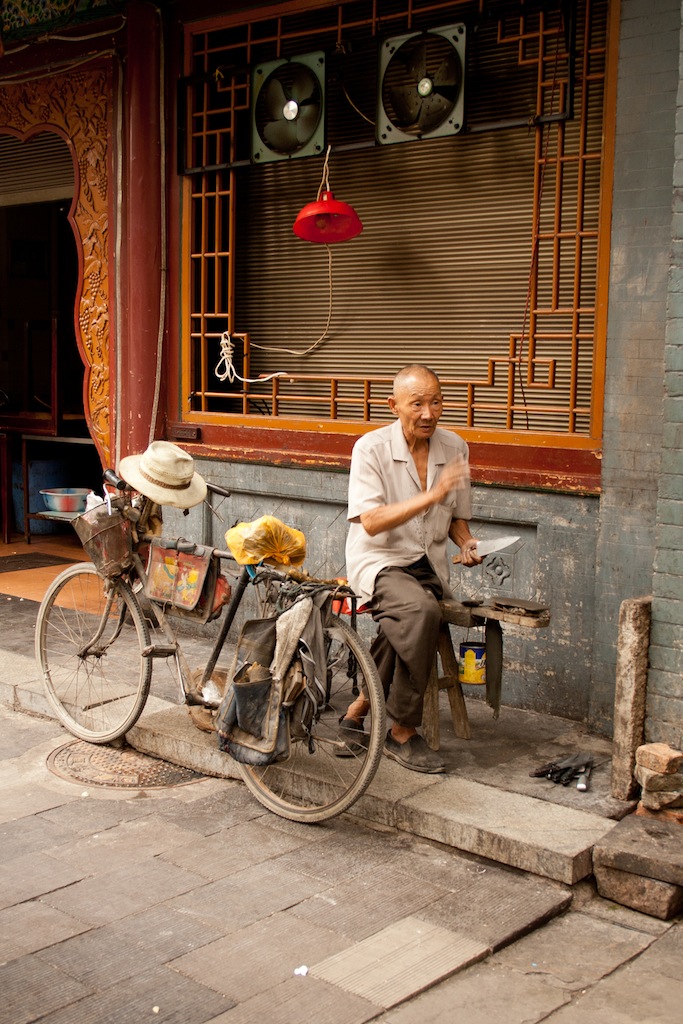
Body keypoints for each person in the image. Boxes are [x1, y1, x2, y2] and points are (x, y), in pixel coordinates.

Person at [340, 364, 481, 773]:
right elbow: (370, 521)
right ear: (394, 405)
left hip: (430, 563)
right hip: (381, 559)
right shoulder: (371, 448)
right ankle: (401, 728)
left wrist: (467, 543)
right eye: (416, 403)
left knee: (402, 623)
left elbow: (456, 517)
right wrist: (432, 495)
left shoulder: (454, 447)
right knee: (421, 612)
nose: (428, 413)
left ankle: (361, 707)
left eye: (435, 401)